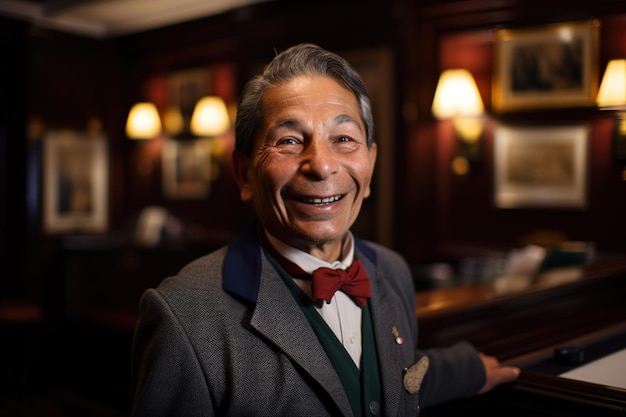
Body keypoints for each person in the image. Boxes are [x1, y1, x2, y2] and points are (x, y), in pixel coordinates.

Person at [130, 43, 520, 416]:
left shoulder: (392, 270)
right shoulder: (184, 316)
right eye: (289, 140)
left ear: (370, 167)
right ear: (244, 173)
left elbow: (393, 380)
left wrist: (466, 369)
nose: (321, 165)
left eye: (344, 139)